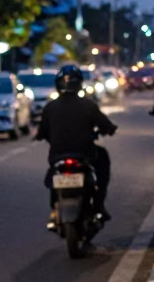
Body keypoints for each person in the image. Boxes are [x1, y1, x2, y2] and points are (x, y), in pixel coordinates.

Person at [36, 64, 117, 224]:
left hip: (58, 154)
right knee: (103, 161)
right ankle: (99, 204)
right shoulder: (88, 105)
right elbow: (106, 125)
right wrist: (109, 129)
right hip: (85, 154)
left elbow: (41, 132)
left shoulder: (50, 107)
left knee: (53, 173)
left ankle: (55, 209)